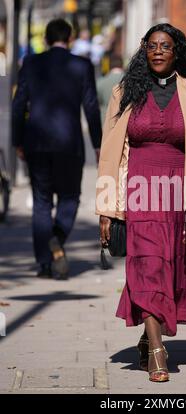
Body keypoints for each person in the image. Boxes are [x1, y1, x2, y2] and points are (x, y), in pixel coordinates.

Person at [96, 23, 186, 382]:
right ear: (144, 51)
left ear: (176, 53)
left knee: (168, 269)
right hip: (138, 189)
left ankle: (147, 335)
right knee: (147, 265)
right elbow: (110, 155)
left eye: (165, 46)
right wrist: (107, 208)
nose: (158, 51)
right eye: (152, 46)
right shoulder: (125, 92)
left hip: (177, 192)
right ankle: (157, 352)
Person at [12, 18, 102, 280]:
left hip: (36, 142)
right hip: (69, 144)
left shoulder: (30, 63)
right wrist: (97, 143)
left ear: (46, 39)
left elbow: (19, 104)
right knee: (70, 197)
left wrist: (17, 141)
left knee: (41, 202)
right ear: (70, 39)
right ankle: (57, 239)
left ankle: (43, 264)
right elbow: (92, 107)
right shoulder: (82, 65)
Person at [96, 54, 124, 125]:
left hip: (105, 122)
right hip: (123, 123)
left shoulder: (100, 82)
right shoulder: (131, 82)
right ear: (122, 64)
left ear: (109, 65)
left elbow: (96, 103)